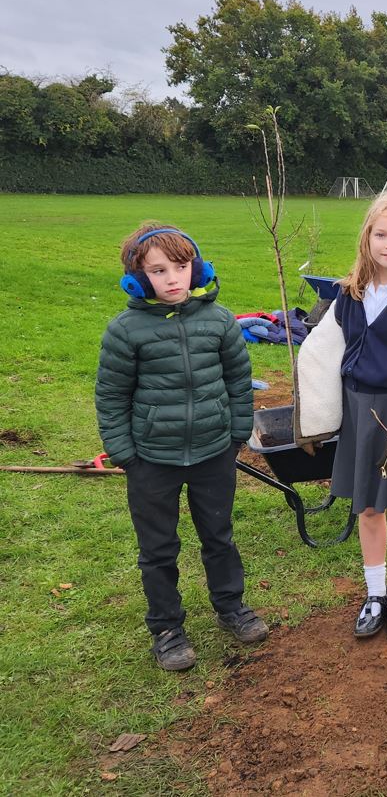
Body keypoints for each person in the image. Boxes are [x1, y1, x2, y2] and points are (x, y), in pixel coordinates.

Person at [95, 221, 267, 671]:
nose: (172, 278)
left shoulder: (220, 320)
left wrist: (235, 436)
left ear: (198, 267)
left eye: (181, 266)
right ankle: (167, 629)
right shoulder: (125, 330)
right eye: (158, 270)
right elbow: (111, 396)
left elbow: (238, 383)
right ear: (137, 278)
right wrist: (125, 454)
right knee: (158, 549)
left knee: (219, 536)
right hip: (152, 459)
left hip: (214, 452)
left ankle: (231, 606)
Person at [294, 191, 387, 647]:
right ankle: (375, 594)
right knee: (368, 508)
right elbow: (323, 349)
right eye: (382, 234)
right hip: (358, 411)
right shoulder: (349, 294)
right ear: (368, 238)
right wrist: (315, 413)